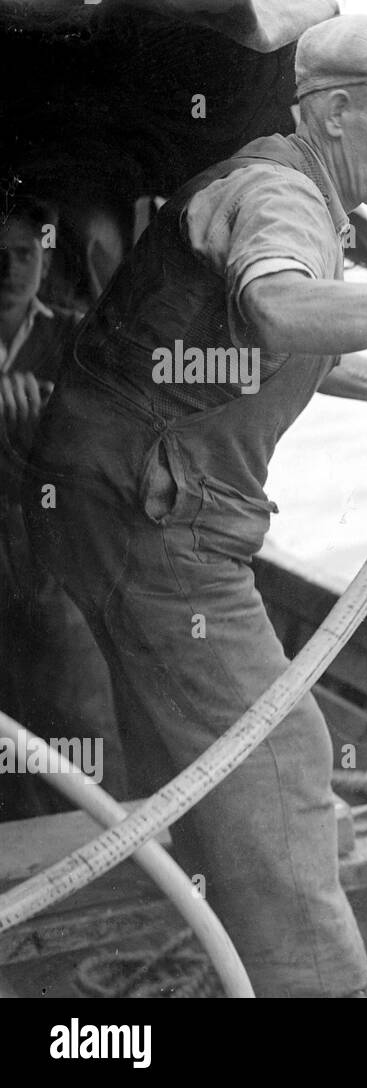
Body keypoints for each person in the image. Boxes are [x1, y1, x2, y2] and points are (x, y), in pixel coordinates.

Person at [23, 14, 367, 997]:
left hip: (105, 497)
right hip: (158, 525)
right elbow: (283, 307)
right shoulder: (283, 196)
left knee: (200, 753)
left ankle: (229, 938)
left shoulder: (266, 177)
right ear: (333, 112)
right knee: (282, 752)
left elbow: (249, 342)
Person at [0, 197, 123, 817]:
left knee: (81, 724)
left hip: (51, 562)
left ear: (44, 263)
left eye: (23, 254)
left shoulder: (76, 336)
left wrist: (48, 411)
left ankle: (106, 855)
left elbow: (108, 431)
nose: (9, 269)